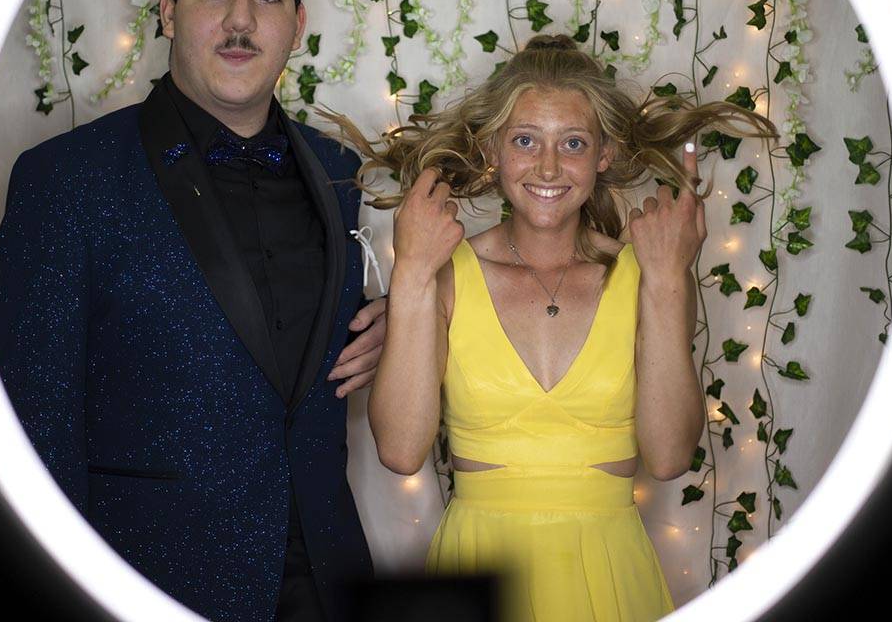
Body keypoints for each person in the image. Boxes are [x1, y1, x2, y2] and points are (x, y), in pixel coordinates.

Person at [0, 0, 384, 622]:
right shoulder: (65, 179)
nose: (241, 20)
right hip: (152, 580)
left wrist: (390, 322)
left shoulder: (340, 173)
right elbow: (30, 431)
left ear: (297, 24)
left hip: (327, 579)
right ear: (169, 11)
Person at [328, 35, 776, 621]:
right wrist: (411, 269)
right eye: (524, 140)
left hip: (611, 571)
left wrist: (669, 279)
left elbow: (668, 458)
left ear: (604, 154)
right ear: (494, 149)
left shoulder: (649, 270)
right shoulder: (445, 272)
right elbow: (400, 449)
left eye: (572, 143)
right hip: (476, 572)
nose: (547, 167)